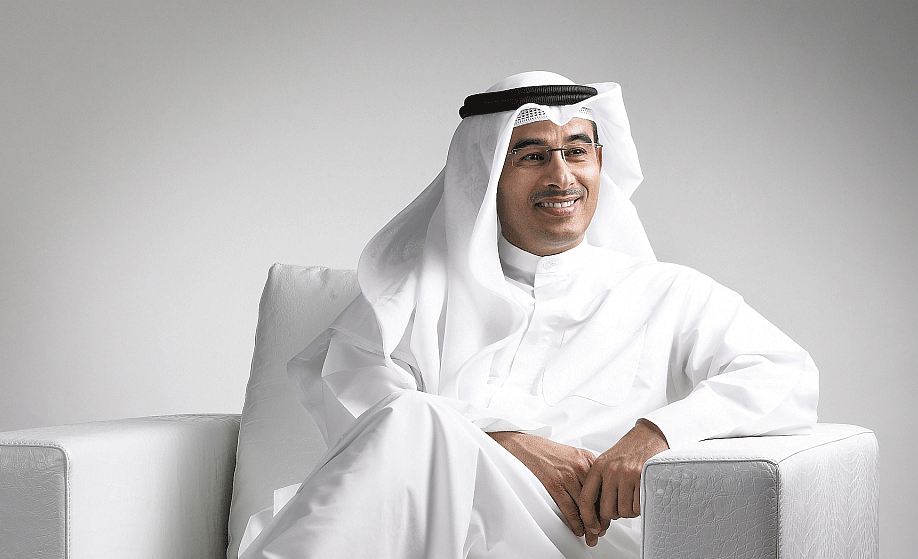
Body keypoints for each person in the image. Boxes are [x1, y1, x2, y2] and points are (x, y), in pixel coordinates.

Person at [238, 71, 818, 559]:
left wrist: (655, 434)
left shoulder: (669, 293)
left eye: (577, 151)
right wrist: (506, 441)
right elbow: (357, 396)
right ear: (486, 174)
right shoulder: (419, 291)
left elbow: (786, 375)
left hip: (584, 537)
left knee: (416, 421)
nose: (561, 177)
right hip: (444, 530)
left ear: (599, 163)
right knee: (411, 423)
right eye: (533, 155)